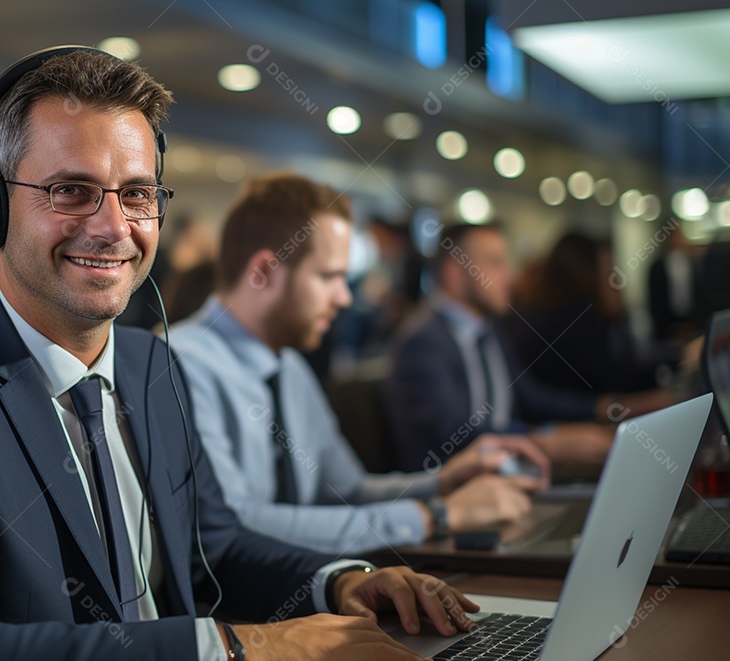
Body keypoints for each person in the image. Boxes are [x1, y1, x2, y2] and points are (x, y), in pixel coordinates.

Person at [0, 48, 481, 661]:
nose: (114, 227)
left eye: (136, 194)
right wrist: (228, 651)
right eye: (71, 190)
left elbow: (213, 547)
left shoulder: (149, 361)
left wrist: (342, 582)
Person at [168, 173, 546, 554]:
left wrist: (440, 483)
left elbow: (346, 491)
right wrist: (436, 515)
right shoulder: (180, 365)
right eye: (329, 276)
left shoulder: (289, 368)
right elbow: (236, 526)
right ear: (264, 272)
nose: (344, 298)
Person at [387, 223, 660, 473]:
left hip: (508, 473)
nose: (511, 276)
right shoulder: (422, 341)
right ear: (454, 274)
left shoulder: (488, 328)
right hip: (457, 492)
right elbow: (454, 433)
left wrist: (610, 407)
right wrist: (547, 441)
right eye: (496, 263)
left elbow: (531, 398)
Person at [510, 231, 668, 393]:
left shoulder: (543, 310)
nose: (615, 281)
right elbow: (614, 380)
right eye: (607, 272)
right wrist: (665, 373)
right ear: (587, 271)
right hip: (572, 414)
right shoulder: (573, 316)